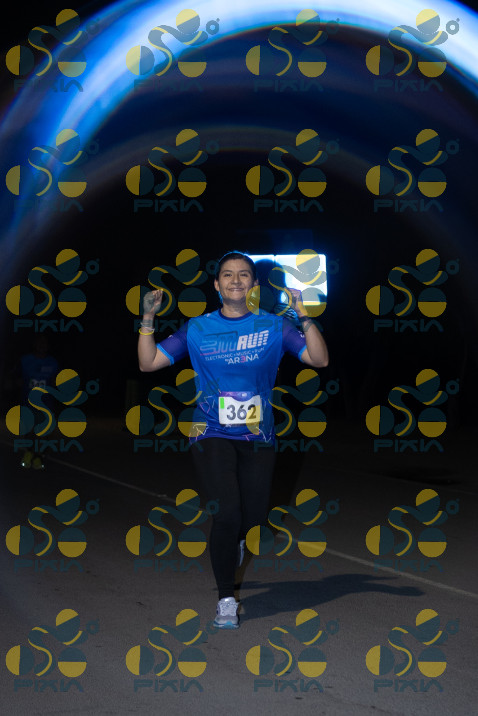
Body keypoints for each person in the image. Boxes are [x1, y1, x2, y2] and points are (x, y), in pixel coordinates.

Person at [137, 251, 329, 628]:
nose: (236, 280)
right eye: (227, 274)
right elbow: (149, 363)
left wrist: (303, 315)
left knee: (253, 516)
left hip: (259, 434)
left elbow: (319, 359)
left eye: (243, 275)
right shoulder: (198, 328)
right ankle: (226, 599)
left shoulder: (273, 326)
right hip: (209, 430)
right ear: (216, 284)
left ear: (254, 284)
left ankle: (237, 537)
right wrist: (147, 319)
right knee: (226, 513)